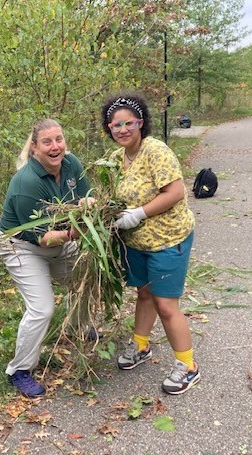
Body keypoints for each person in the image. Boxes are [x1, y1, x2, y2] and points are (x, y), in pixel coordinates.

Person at [100, 92, 200, 395]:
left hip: (168, 239)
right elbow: (116, 197)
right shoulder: (117, 159)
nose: (122, 130)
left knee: (165, 305)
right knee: (144, 294)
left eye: (128, 123)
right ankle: (141, 346)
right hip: (137, 244)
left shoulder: (155, 151)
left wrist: (139, 214)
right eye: (115, 125)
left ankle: (188, 366)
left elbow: (175, 192)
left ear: (141, 122)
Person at [0, 119, 92, 398]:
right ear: (35, 148)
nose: (55, 147)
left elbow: (87, 196)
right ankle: (19, 370)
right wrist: (77, 232)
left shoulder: (72, 164)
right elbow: (43, 238)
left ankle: (77, 326)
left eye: (59, 139)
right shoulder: (27, 182)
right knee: (42, 309)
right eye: (47, 142)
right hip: (23, 246)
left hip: (62, 238)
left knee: (86, 275)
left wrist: (91, 205)